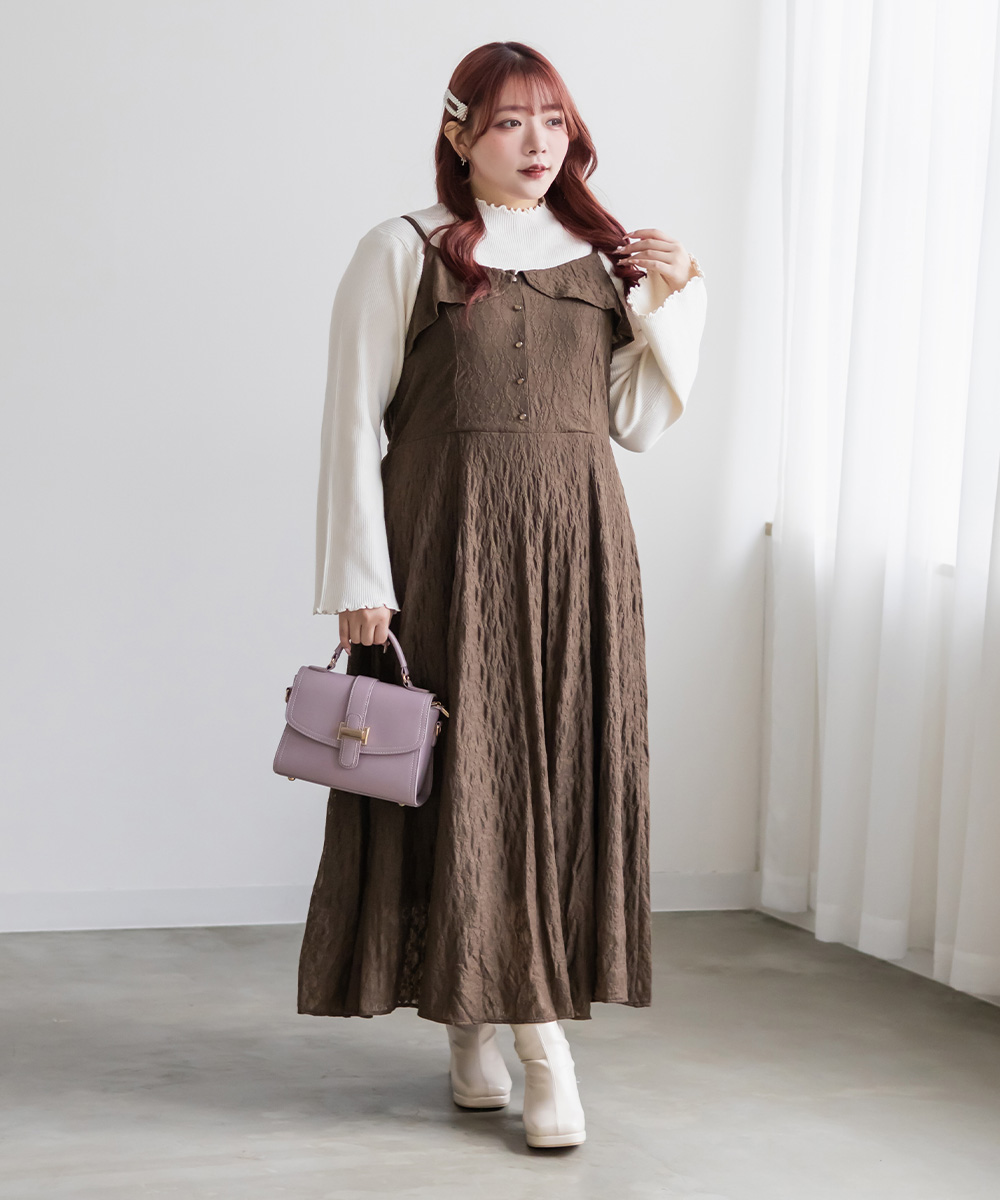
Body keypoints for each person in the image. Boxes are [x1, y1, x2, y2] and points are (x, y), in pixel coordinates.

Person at [298, 40, 707, 1150]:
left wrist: (677, 297)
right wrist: (357, 581)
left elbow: (636, 423)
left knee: (552, 786)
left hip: (578, 552)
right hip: (445, 547)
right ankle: (536, 1045)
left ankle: (485, 1022)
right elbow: (350, 419)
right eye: (512, 121)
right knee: (464, 782)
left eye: (555, 122)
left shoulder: (600, 258)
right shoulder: (403, 247)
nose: (539, 144)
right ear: (459, 131)